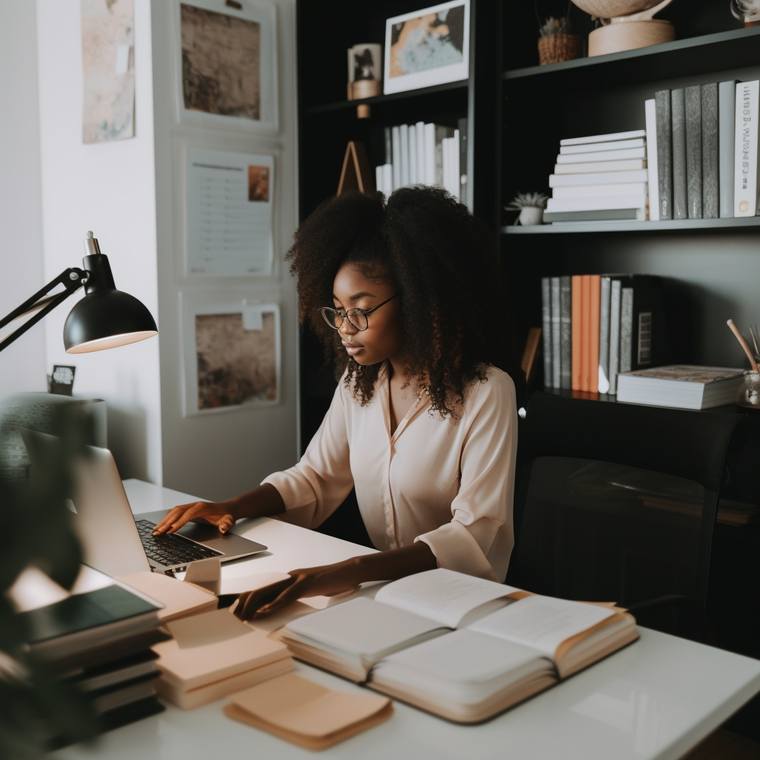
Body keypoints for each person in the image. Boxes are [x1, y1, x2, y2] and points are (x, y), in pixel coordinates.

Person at [154, 186, 525, 619]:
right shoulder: (359, 383)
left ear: (420, 302)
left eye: (361, 310)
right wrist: (230, 507)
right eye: (336, 310)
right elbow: (314, 478)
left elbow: (475, 534)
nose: (344, 328)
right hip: (385, 596)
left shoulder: (486, 390)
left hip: (461, 605)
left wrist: (348, 570)